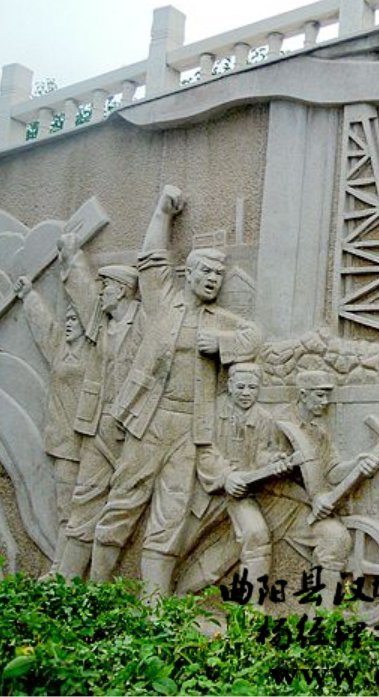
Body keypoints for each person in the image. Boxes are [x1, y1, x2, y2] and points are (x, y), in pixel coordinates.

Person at [89, 185, 261, 598]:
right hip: (150, 421)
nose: (214, 281)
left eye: (219, 276)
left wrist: (220, 344)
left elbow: (254, 337)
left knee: (171, 512)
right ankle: (94, 591)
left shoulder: (220, 321)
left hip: (190, 430)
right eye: (207, 273)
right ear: (191, 274)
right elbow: (151, 259)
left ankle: (154, 605)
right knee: (124, 500)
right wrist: (162, 213)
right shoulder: (162, 303)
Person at [53, 232, 145, 579]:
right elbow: (83, 294)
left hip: (130, 431)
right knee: (85, 497)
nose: (101, 292)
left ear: (120, 290)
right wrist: (71, 256)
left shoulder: (144, 324)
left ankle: (102, 585)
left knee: (121, 506)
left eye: (105, 287)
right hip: (97, 425)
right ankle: (66, 579)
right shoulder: (103, 324)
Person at [272, 370, 379, 608]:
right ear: (303, 395)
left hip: (304, 507)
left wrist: (357, 464)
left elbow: (332, 472)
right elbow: (266, 475)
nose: (326, 401)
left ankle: (322, 615)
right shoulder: (278, 424)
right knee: (333, 536)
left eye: (327, 395)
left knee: (336, 538)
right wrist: (312, 499)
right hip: (277, 504)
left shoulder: (318, 432)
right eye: (320, 395)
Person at [196, 363, 296, 591]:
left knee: (255, 535)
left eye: (252, 388)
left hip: (245, 492)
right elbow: (203, 452)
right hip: (213, 488)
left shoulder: (263, 418)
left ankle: (251, 605)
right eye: (241, 387)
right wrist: (226, 476)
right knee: (181, 543)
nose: (246, 393)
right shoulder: (212, 412)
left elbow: (260, 454)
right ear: (230, 386)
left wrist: (273, 460)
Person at [13, 276, 89, 574]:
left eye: (75, 319)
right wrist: (29, 296)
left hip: (90, 441)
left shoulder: (96, 354)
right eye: (67, 318)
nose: (69, 323)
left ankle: (69, 567)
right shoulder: (60, 348)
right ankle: (60, 565)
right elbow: (44, 327)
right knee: (65, 506)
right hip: (63, 441)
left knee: (81, 506)